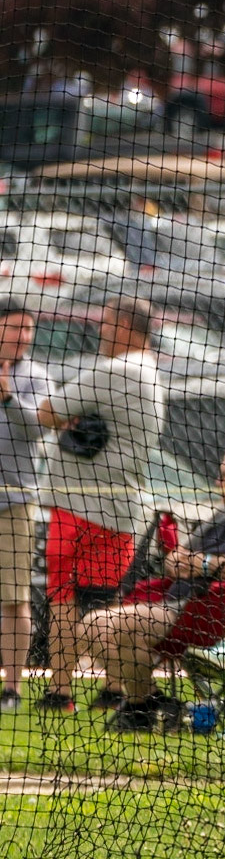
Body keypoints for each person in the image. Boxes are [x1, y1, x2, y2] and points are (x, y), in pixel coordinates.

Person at [81, 444, 225, 732]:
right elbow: (181, 554)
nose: (218, 482)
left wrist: (204, 565)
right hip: (177, 605)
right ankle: (147, 704)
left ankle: (145, 706)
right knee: (97, 629)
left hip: (209, 614)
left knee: (98, 625)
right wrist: (176, 561)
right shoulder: (222, 515)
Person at [36, 296, 164, 714]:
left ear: (126, 326)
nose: (100, 330)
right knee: (105, 604)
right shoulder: (150, 371)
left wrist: (67, 418)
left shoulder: (115, 370)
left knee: (64, 598)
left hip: (78, 507)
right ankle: (114, 690)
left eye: (107, 323)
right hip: (122, 509)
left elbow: (47, 412)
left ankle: (61, 693)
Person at [0, 302, 47, 710]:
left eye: (28, 330)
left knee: (15, 598)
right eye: (16, 328)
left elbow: (37, 429)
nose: (24, 336)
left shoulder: (36, 376)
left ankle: (11, 689)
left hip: (14, 502)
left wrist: (8, 397)